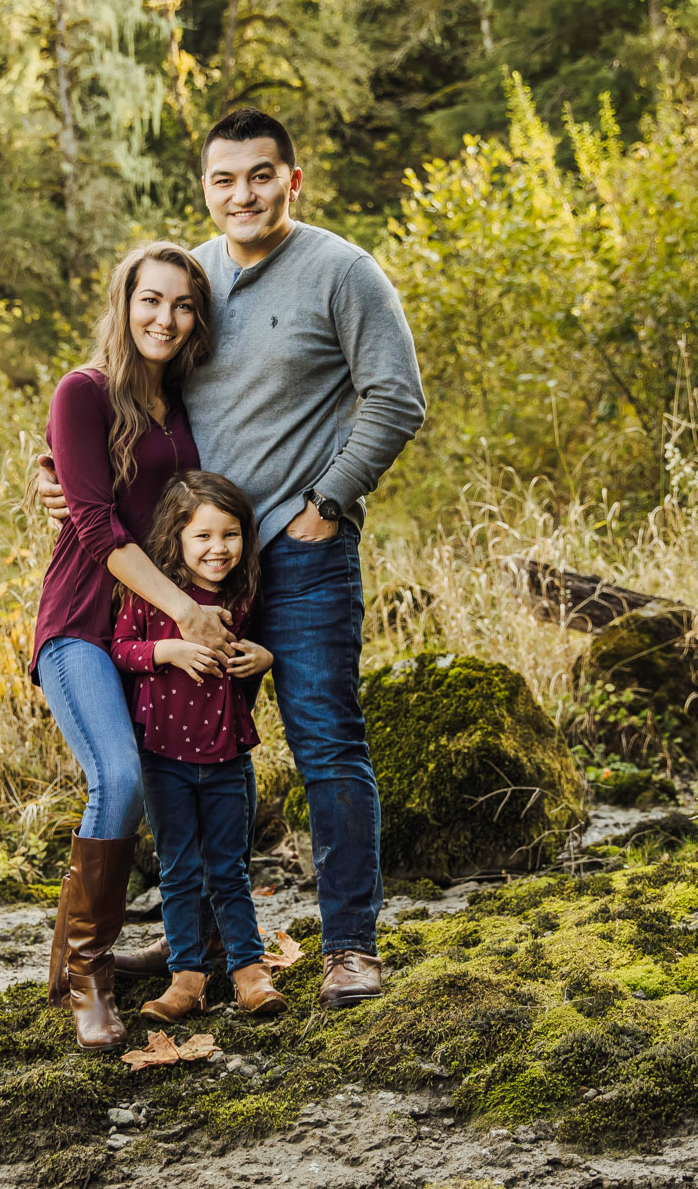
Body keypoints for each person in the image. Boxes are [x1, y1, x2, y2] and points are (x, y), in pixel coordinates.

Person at [40, 107, 426, 1009]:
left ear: (293, 180)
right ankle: (199, 952)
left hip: (299, 555)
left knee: (325, 740)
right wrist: (51, 464)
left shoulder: (342, 272)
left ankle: (350, 949)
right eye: (224, 179)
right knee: (184, 756)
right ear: (205, 189)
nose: (242, 193)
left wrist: (326, 506)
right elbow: (120, 386)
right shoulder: (195, 280)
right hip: (189, 577)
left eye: (261, 175)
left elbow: (396, 398)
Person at [32, 241, 235, 1051]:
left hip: (151, 634)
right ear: (124, 304)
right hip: (84, 623)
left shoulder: (182, 408)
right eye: (151, 300)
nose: (166, 317)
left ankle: (191, 947)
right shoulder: (84, 393)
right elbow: (95, 526)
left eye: (183, 305)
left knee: (179, 784)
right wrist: (188, 610)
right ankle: (89, 975)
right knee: (115, 778)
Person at [110, 471, 289, 1022]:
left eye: (230, 535)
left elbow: (255, 653)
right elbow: (119, 650)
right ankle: (186, 978)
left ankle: (248, 971)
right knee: (179, 871)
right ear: (177, 539)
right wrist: (168, 651)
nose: (218, 548)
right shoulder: (150, 595)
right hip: (164, 759)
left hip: (227, 759)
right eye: (204, 536)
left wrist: (265, 659)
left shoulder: (243, 595)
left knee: (230, 869)